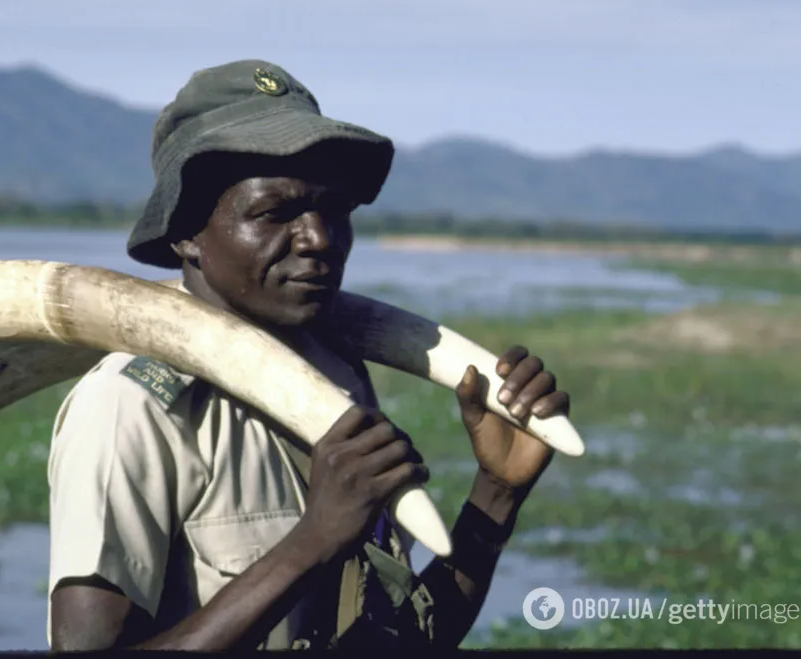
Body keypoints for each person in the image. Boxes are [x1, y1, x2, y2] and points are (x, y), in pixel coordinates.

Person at [45, 60, 571, 651]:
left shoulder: (339, 376)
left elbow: (405, 642)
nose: (319, 238)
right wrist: (312, 542)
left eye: (334, 209)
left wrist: (496, 494)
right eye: (274, 213)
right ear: (187, 234)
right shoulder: (130, 407)